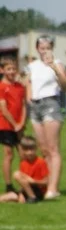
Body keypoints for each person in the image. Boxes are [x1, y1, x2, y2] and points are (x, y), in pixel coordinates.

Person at [26, 35, 66, 200]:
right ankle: (46, 184)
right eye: (42, 48)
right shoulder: (32, 66)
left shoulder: (57, 63)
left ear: (52, 48)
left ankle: (53, 188)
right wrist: (28, 97)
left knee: (53, 149)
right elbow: (28, 82)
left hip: (50, 104)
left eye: (48, 47)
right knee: (43, 149)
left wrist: (55, 69)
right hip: (35, 106)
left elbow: (65, 86)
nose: (44, 51)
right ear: (37, 49)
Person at [0, 57, 28, 195]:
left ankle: (25, 183)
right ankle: (9, 185)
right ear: (2, 70)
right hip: (6, 125)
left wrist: (22, 122)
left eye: (13, 69)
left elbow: (23, 105)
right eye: (8, 69)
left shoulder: (19, 86)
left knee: (23, 154)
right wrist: (15, 124)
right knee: (9, 154)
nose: (11, 71)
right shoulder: (1, 87)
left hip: (19, 125)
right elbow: (4, 109)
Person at [1, 136, 48, 203]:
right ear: (22, 150)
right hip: (28, 189)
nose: (29, 152)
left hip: (38, 190)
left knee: (16, 174)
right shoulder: (23, 163)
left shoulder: (41, 162)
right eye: (26, 150)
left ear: (36, 149)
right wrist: (21, 191)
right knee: (8, 196)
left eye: (32, 150)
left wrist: (33, 181)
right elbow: (23, 182)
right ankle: (27, 196)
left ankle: (32, 197)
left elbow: (46, 182)